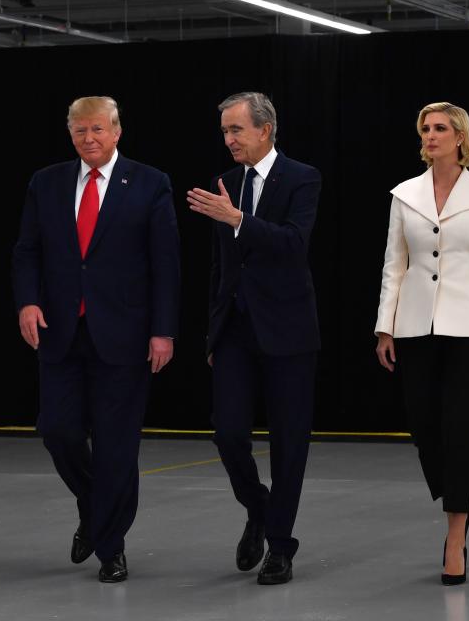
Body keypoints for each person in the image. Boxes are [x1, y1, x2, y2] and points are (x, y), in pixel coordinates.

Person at [12, 96, 180, 583]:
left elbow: (166, 265)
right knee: (57, 430)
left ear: (117, 131)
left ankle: (111, 545)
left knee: (116, 447)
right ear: (70, 134)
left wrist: (163, 330)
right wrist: (27, 301)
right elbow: (26, 251)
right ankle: (93, 506)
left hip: (125, 335)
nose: (89, 139)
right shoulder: (46, 183)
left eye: (98, 130)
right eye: (80, 131)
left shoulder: (150, 183)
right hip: (61, 332)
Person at [374, 102, 469, 586]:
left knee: (460, 429)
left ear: (460, 137)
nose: (430, 136)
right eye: (425, 129)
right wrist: (384, 326)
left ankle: (455, 535)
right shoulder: (404, 194)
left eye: (440, 129)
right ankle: (459, 501)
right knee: (422, 423)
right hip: (416, 323)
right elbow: (394, 265)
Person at [187, 92, 321, 585]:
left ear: (265, 130)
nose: (228, 140)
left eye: (236, 130)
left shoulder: (303, 177)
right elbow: (220, 266)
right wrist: (212, 333)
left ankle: (281, 545)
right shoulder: (225, 182)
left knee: (289, 442)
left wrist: (239, 220)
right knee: (227, 433)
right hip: (235, 332)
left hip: (288, 332)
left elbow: (293, 244)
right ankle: (260, 510)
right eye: (224, 131)